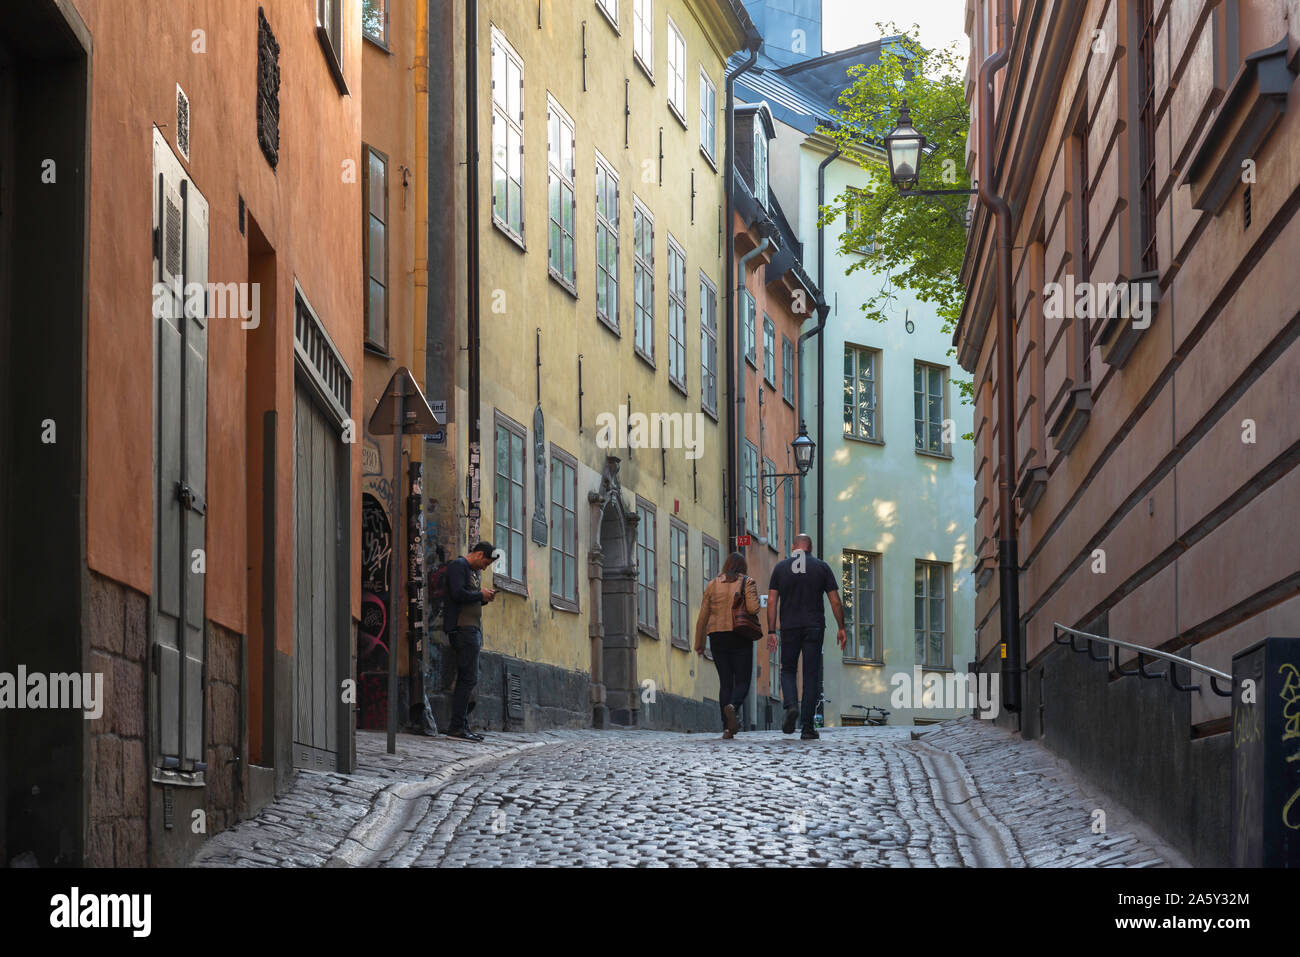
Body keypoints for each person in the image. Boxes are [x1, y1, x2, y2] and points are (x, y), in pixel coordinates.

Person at [766, 534, 847, 740]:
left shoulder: (781, 568)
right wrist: (841, 627)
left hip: (790, 627)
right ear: (810, 548)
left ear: (794, 547)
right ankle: (808, 727)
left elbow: (773, 601)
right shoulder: (821, 567)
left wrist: (771, 631)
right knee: (811, 675)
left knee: (788, 670)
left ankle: (791, 705)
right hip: (814, 626)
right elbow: (835, 601)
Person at [694, 552, 760, 739]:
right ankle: (734, 707)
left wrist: (699, 643)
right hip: (740, 635)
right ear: (743, 567)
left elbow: (702, 618)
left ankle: (726, 728)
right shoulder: (747, 582)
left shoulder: (712, 584)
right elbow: (754, 608)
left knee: (725, 682)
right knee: (742, 681)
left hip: (717, 636)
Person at [442, 541, 497, 740]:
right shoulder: (459, 566)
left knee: (468, 678)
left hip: (470, 630)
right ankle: (457, 726)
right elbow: (457, 594)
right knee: (467, 678)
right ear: (479, 554)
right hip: (463, 630)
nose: (485, 567)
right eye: (486, 562)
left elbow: (468, 596)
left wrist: (483, 598)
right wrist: (479, 594)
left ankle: (461, 725)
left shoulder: (468, 570)